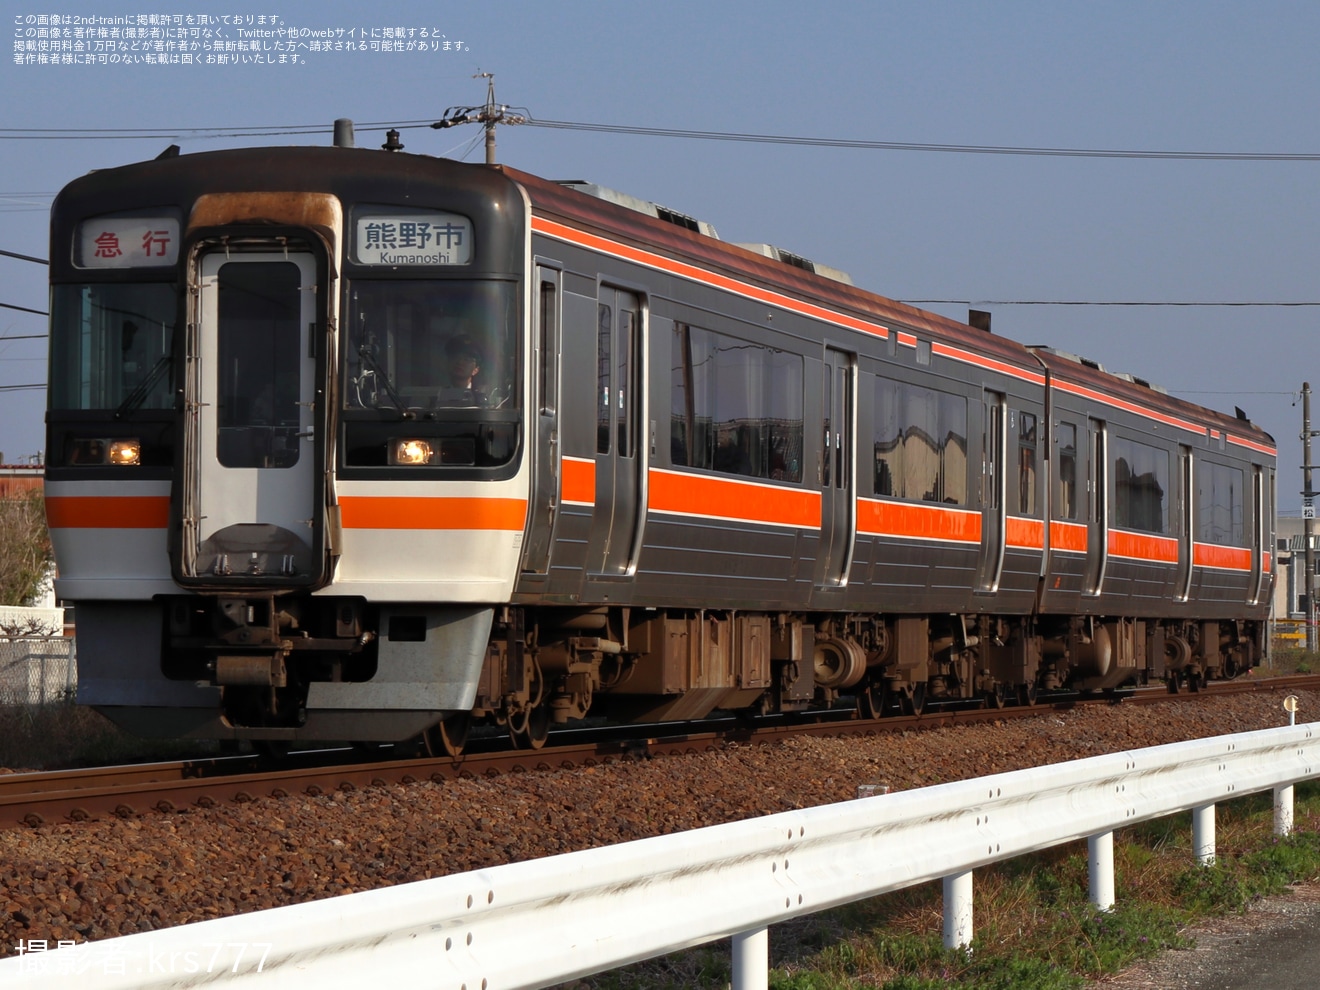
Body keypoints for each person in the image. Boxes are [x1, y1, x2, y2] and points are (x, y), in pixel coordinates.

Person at [434, 333, 487, 407]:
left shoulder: (482, 400)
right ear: (447, 362)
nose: (460, 362)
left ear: (476, 370)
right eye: (455, 357)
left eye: (466, 359)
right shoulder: (435, 398)